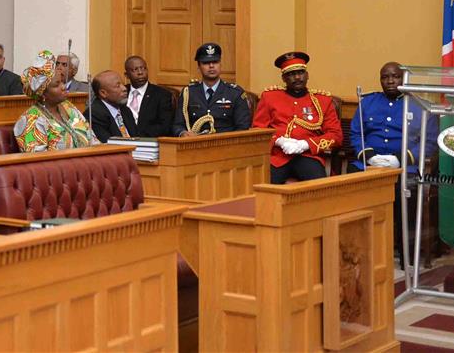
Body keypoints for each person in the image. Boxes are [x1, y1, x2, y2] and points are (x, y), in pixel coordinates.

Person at [351, 61, 438, 258]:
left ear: (404, 78)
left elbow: (430, 141)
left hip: (405, 168)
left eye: (395, 76)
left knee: (406, 191)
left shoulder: (419, 105)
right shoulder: (368, 102)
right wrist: (369, 156)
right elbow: (356, 134)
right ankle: (358, 246)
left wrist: (401, 159)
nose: (390, 81)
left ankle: (404, 249)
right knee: (349, 188)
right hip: (368, 165)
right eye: (385, 77)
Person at [252, 52, 342, 184]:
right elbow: (257, 131)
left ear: (307, 75)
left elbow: (336, 136)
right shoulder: (269, 97)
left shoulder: (323, 100)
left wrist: (306, 144)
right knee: (264, 187)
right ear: (283, 78)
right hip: (278, 157)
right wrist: (278, 141)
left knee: (318, 187)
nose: (297, 77)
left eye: (300, 72)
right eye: (291, 74)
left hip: (309, 156)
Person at [13, 50, 96, 152]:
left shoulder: (69, 107)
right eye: (57, 85)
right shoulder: (31, 119)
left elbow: (93, 139)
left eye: (62, 82)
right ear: (43, 93)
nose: (64, 87)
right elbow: (37, 161)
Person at [172, 42, 252, 135]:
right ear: (199, 66)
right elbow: (177, 125)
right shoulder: (189, 93)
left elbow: (242, 128)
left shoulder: (235, 93)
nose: (211, 66)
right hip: (195, 145)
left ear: (220, 64)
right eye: (206, 63)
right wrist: (183, 133)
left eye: (215, 62)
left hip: (226, 146)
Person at [124, 55, 173, 137]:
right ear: (126, 75)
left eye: (143, 68)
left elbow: (165, 126)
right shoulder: (121, 92)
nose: (140, 73)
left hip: (148, 141)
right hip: (122, 141)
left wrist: (138, 136)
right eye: (135, 69)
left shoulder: (162, 95)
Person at [90, 70, 140, 142]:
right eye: (118, 86)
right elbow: (108, 144)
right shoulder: (94, 114)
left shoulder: (125, 110)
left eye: (123, 84)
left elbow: (136, 137)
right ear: (103, 93)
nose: (124, 88)